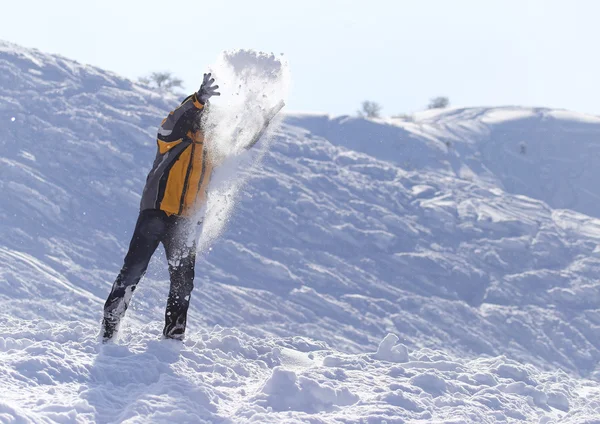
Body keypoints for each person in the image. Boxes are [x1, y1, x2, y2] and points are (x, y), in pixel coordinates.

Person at [101, 73, 221, 342]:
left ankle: (174, 333)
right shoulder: (173, 138)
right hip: (156, 211)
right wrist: (197, 100)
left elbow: (240, 144)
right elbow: (173, 121)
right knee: (133, 269)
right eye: (202, 115)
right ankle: (110, 325)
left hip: (185, 221)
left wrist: (261, 122)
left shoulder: (211, 150)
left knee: (183, 279)